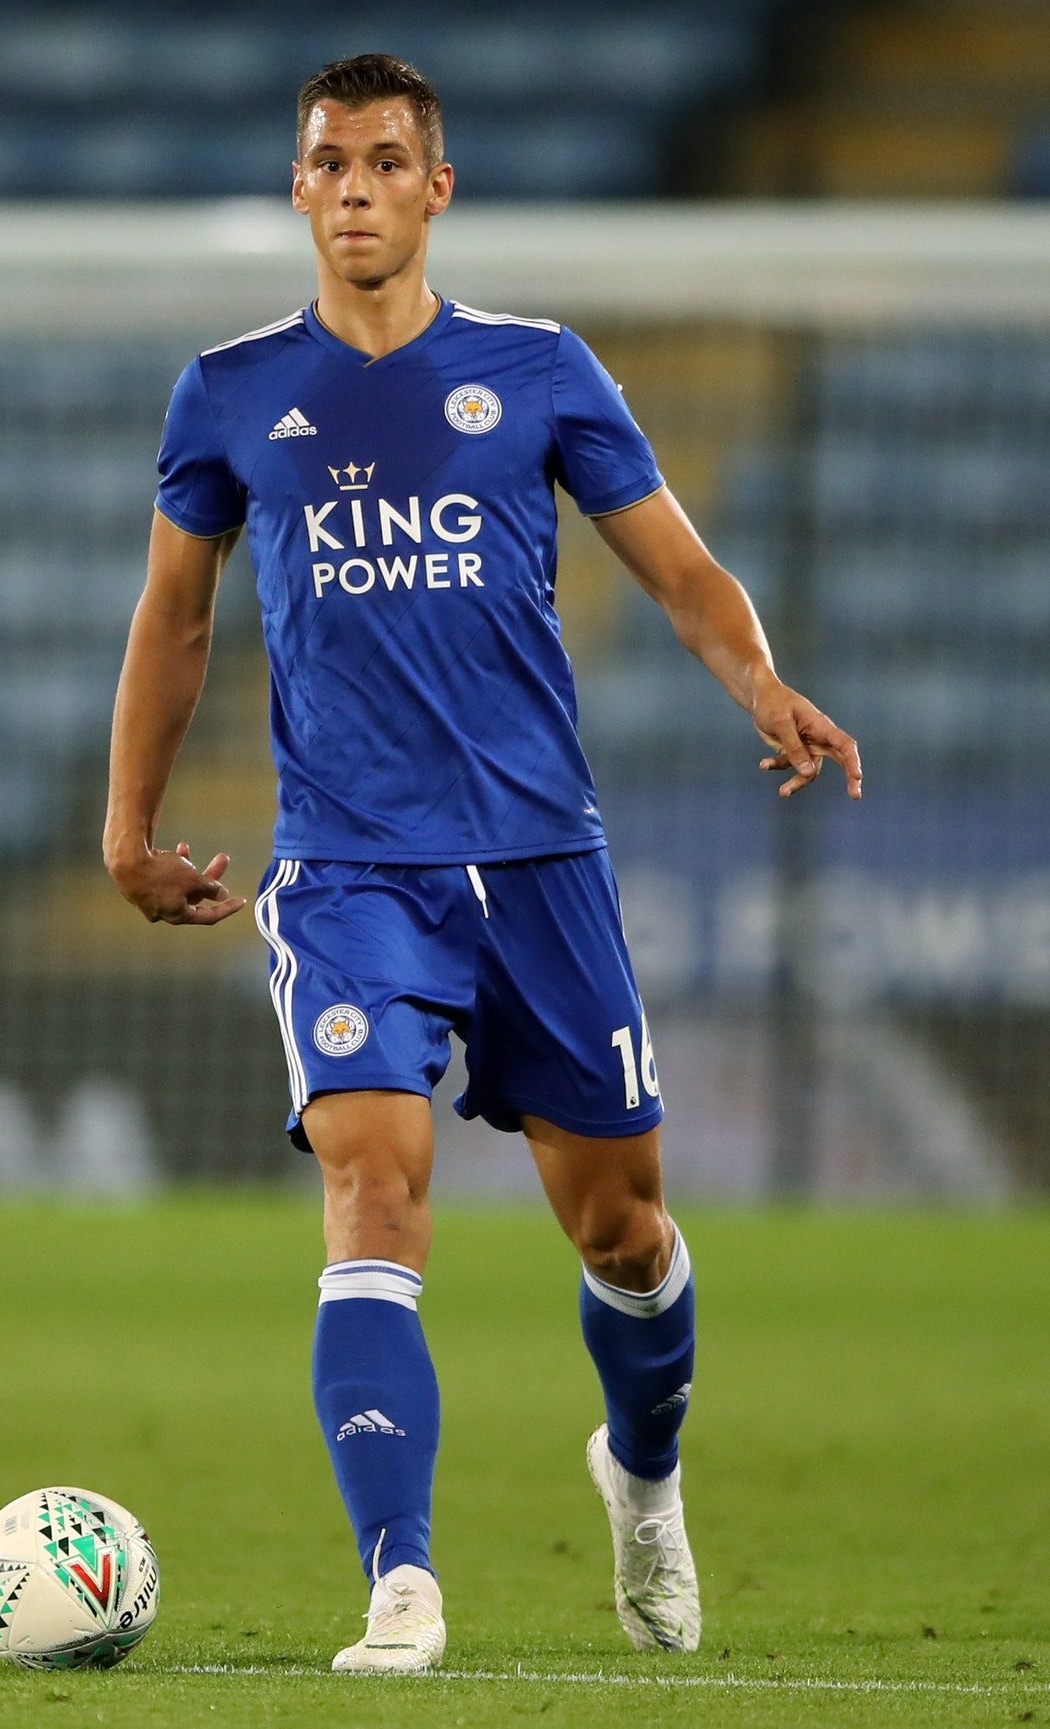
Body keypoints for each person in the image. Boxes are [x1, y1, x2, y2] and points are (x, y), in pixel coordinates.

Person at [104, 52, 862, 1674]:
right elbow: (175, 617)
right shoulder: (229, 392)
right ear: (298, 187)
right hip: (348, 870)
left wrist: (762, 682)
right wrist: (126, 826)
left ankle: (642, 1473)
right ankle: (401, 1581)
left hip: (538, 866)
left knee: (625, 1234)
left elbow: (683, 571)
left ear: (437, 188)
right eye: (330, 162)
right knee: (371, 1185)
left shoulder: (539, 369)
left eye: (388, 162)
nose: (356, 189)